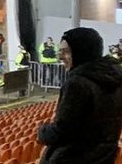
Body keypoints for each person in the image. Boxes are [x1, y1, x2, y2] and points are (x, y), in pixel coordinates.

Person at [37, 27, 122, 164]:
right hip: (103, 157)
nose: (60, 56)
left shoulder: (78, 84)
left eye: (65, 52)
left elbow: (63, 131)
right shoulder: (114, 78)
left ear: (80, 52)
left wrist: (42, 131)